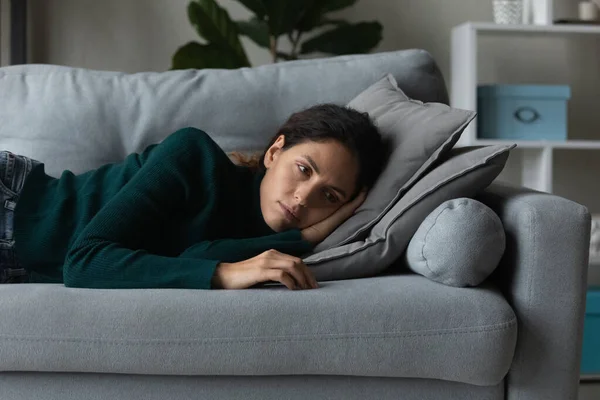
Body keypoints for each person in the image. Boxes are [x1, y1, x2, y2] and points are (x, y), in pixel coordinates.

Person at [0, 104, 386, 290]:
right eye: (303, 169)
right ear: (274, 152)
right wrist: (226, 273)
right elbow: (85, 261)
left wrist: (309, 238)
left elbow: (191, 256)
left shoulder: (262, 244)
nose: (304, 199)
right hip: (14, 201)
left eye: (329, 196)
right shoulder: (192, 156)